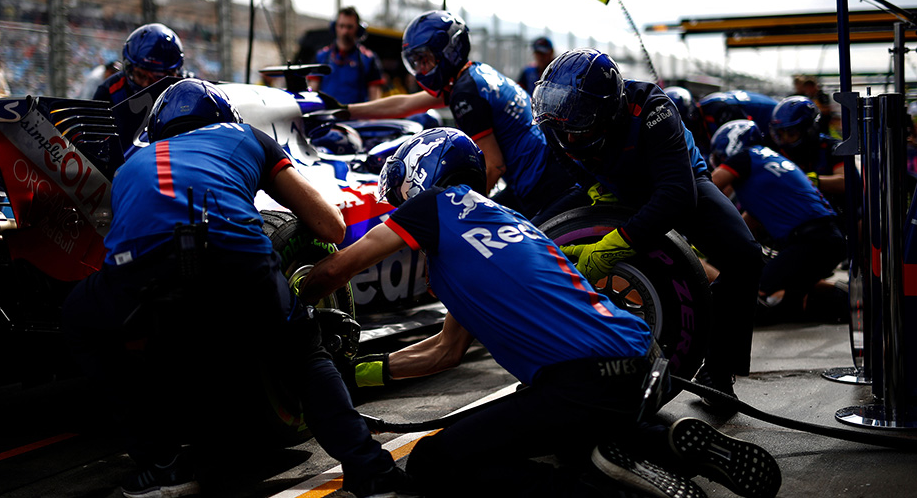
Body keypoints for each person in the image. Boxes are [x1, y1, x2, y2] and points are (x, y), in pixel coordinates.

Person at [298, 127, 782, 498]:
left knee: (432, 462)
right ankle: (662, 440)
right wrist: (360, 372)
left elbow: (336, 271)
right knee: (567, 430)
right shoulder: (506, 222)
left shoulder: (431, 210)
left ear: (419, 175)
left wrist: (296, 289)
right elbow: (444, 352)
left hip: (582, 378)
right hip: (640, 363)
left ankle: (598, 491)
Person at [62, 79, 412, 498]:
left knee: (79, 318)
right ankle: (371, 472)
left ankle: (161, 466)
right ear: (223, 117)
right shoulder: (247, 136)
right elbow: (332, 227)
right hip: (237, 259)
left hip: (142, 273)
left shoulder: (129, 166)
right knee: (303, 352)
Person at [530, 48, 763, 413]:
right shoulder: (556, 121)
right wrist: (594, 188)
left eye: (578, 127)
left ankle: (716, 373)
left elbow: (677, 196)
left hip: (675, 183)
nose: (568, 136)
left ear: (608, 110)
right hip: (613, 187)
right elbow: (565, 154)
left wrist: (612, 245)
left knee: (746, 258)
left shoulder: (654, 110)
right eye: (561, 126)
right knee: (530, 235)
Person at [346, 10, 575, 220]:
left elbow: (494, 166)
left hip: (540, 183)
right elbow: (405, 104)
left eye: (424, 60)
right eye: (415, 62)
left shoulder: (465, 94)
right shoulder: (473, 75)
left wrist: (460, 218)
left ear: (447, 52)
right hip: (547, 170)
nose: (421, 70)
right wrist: (346, 110)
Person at [709, 120, 847, 324]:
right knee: (791, 305)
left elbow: (708, 186)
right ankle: (854, 301)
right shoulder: (767, 163)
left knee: (753, 293)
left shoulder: (745, 157)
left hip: (810, 241)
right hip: (829, 239)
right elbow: (746, 226)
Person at [768, 95, 844, 201]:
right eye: (780, 134)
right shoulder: (776, 152)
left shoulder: (832, 148)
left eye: (791, 133)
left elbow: (845, 181)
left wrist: (807, 180)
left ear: (808, 131)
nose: (785, 139)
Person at [307, 6, 385, 104]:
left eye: (349, 27)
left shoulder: (368, 59)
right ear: (335, 27)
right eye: (341, 26)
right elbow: (312, 92)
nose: (345, 31)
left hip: (357, 117)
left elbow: (375, 98)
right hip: (327, 116)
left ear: (358, 29)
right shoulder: (321, 56)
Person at [93, 23, 184, 105]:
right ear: (128, 68)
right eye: (140, 75)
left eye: (158, 77)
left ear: (175, 73)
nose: (146, 84)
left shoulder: (189, 91)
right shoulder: (110, 91)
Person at [697, 90, 777, 148]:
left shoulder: (720, 111)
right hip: (759, 114)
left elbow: (741, 141)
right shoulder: (707, 106)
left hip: (772, 119)